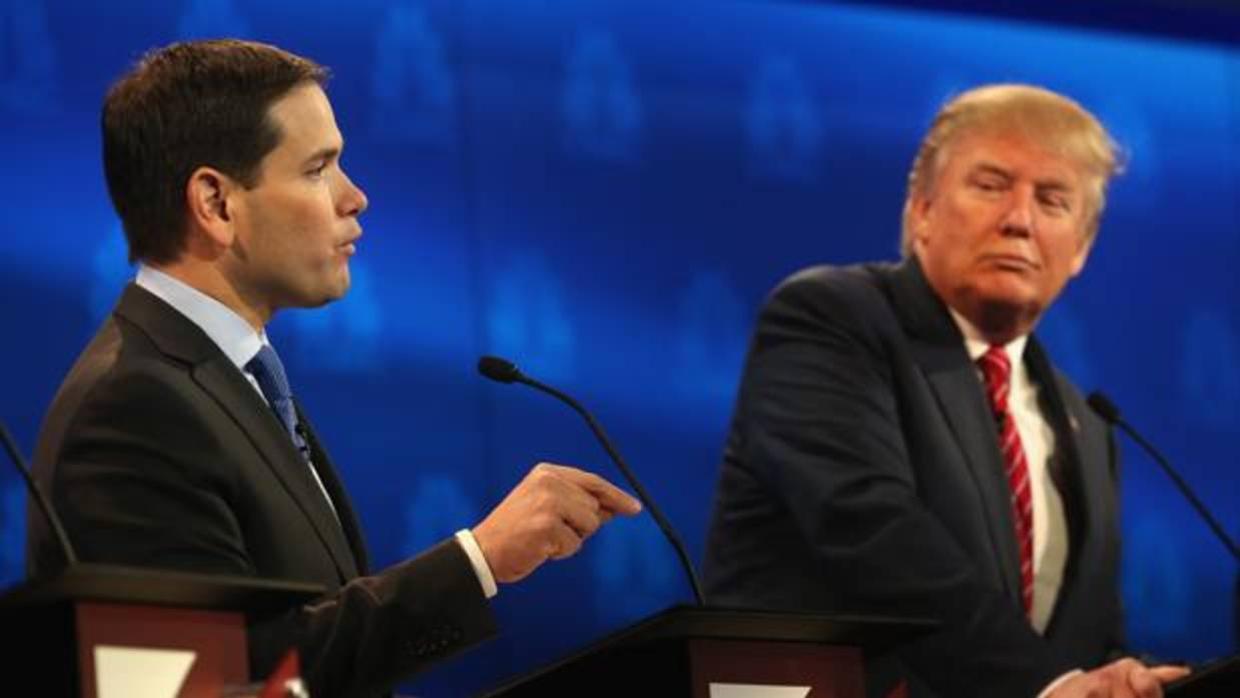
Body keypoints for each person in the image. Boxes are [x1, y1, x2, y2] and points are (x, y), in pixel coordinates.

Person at [25, 39, 641, 698]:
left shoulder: (232, 377)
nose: (356, 197)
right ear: (216, 203)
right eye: (319, 168)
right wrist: (479, 560)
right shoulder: (135, 405)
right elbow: (219, 676)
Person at [703, 84, 1188, 697]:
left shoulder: (1083, 424)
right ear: (921, 210)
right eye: (990, 186)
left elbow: (1085, 634)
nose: (1019, 220)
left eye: (1053, 200)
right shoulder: (830, 319)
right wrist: (1049, 684)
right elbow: (869, 529)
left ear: (1082, 249)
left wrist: (1118, 679)